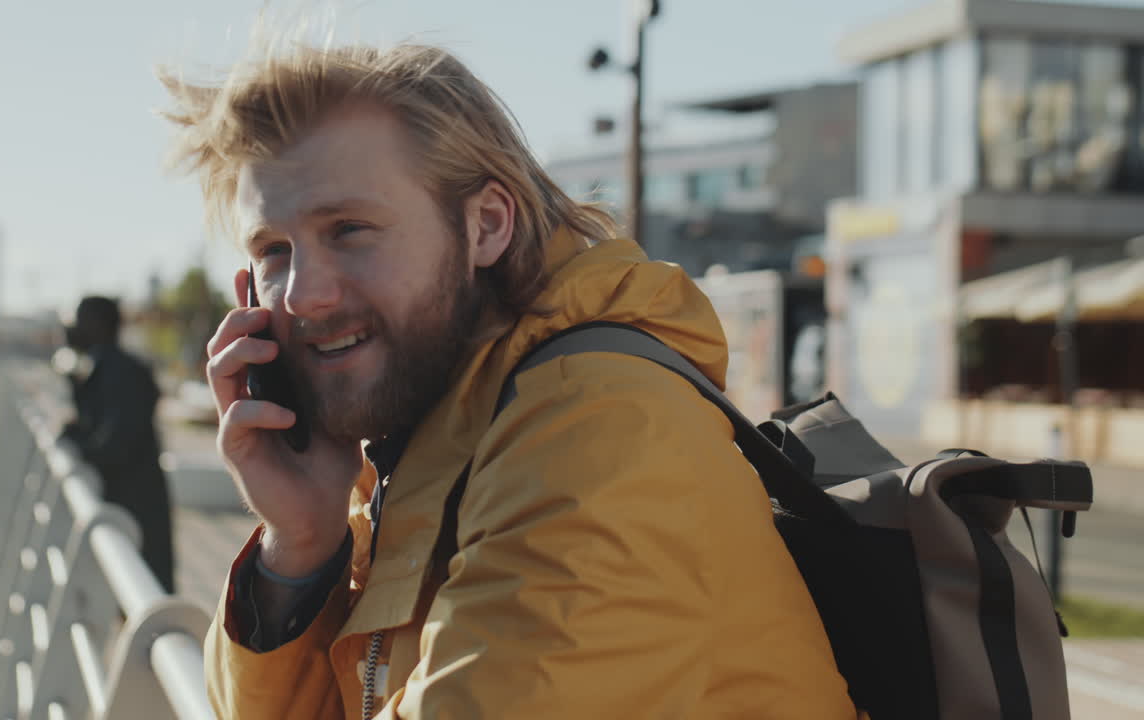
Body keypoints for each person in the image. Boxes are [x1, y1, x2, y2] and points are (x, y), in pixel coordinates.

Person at [162, 38, 859, 720]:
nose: (301, 295)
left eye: (348, 229)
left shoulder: (601, 430)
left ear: (487, 225)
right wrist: (302, 548)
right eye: (273, 251)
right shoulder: (422, 443)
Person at [61, 295, 175, 594]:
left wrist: (78, 446)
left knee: (144, 588)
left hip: (135, 503)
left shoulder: (119, 371)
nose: (71, 328)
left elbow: (115, 443)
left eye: (78, 319)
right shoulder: (106, 367)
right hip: (129, 500)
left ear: (97, 324)